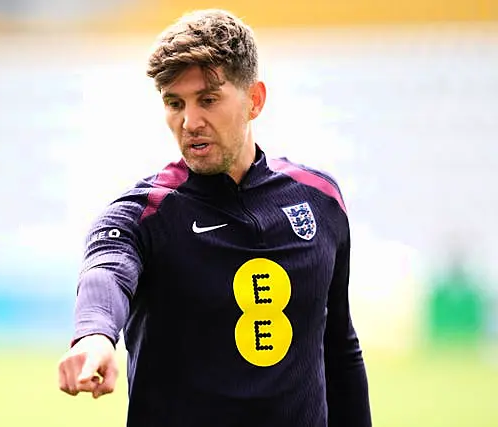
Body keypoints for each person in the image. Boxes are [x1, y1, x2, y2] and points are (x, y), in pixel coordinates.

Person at [58, 8, 371, 427]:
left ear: (255, 100)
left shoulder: (320, 200)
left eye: (208, 99)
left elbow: (339, 348)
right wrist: (95, 333)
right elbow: (107, 270)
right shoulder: (144, 214)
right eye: (175, 103)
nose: (189, 122)